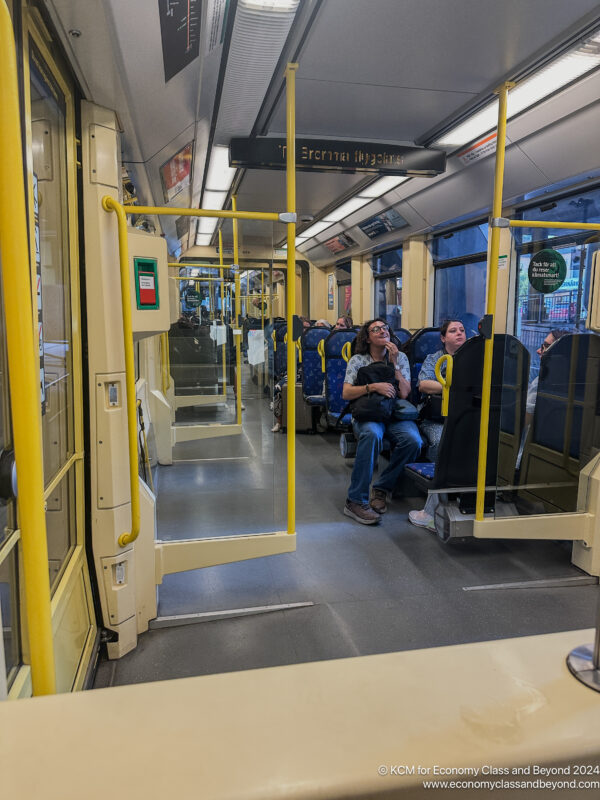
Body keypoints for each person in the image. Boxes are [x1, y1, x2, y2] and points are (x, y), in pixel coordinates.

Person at [342, 318, 422, 525]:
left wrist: (394, 364)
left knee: (413, 441)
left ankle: (381, 488)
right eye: (375, 329)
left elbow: (404, 393)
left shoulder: (400, 357)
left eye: (384, 328)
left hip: (394, 413)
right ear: (367, 338)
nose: (381, 331)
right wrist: (373, 387)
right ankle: (355, 500)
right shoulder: (358, 361)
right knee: (372, 434)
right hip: (368, 413)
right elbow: (346, 393)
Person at [408, 319, 466, 530]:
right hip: (437, 419)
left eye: (462, 330)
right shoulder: (435, 359)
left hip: (466, 419)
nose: (459, 333)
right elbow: (424, 384)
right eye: (453, 331)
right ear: (443, 338)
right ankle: (433, 511)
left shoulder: (474, 360)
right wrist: (454, 388)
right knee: (443, 444)